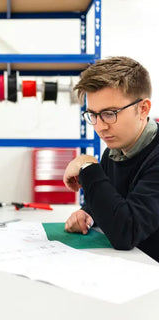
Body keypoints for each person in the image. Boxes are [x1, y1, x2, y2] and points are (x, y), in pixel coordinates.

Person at [63, 56, 159, 262]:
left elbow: (127, 232)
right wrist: (88, 214)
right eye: (93, 115)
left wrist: (87, 165)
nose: (99, 126)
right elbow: (115, 200)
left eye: (109, 113)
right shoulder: (115, 151)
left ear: (143, 109)